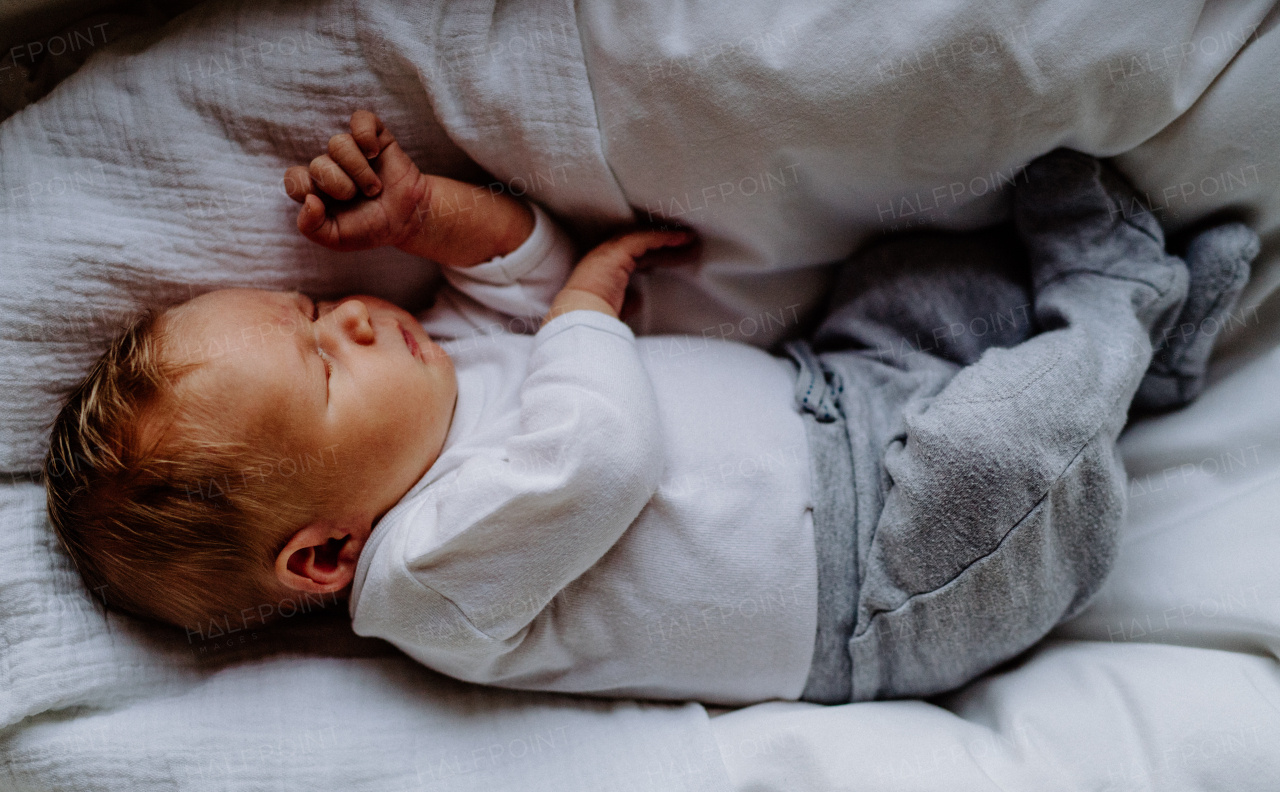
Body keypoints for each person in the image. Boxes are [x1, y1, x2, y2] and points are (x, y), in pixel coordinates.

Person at [44, 111, 1258, 706]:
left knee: (911, 283)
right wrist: (581, 303)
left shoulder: (443, 373)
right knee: (1009, 450)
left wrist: (423, 218)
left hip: (842, 391)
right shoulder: (424, 579)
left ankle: (1134, 361)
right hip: (885, 582)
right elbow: (599, 455)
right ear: (322, 550)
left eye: (310, 313)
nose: (350, 318)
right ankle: (1115, 309)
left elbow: (522, 264)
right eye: (321, 368)